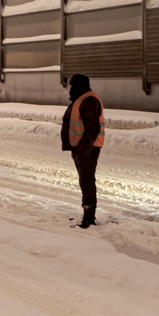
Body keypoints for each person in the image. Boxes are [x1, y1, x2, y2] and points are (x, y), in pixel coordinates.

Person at [61, 73, 103, 228]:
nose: (70, 88)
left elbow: (93, 128)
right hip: (82, 148)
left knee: (87, 182)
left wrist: (83, 148)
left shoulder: (88, 100)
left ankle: (89, 218)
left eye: (73, 85)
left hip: (87, 149)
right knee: (85, 181)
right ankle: (87, 214)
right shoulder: (81, 99)